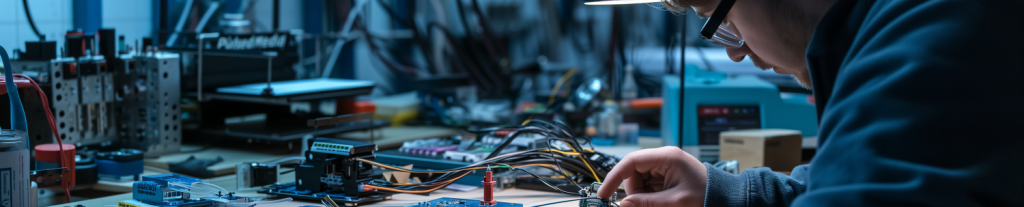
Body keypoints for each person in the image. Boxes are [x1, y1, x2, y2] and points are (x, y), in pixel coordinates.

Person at [597, 0, 1024, 206]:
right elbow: (847, 184)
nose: (735, 50)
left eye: (724, 19)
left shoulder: (935, 29)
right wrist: (726, 192)